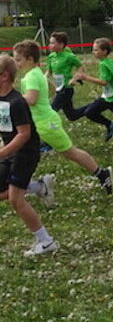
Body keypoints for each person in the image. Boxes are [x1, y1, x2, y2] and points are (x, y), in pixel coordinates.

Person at [13, 40, 113, 194]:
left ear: (30, 59)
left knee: (69, 152)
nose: (16, 63)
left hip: (45, 124)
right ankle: (26, 186)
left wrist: (13, 99)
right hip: (36, 123)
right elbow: (50, 90)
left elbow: (31, 99)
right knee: (18, 152)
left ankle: (102, 173)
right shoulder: (35, 73)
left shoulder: (32, 76)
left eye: (19, 60)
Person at [0, 54, 58, 256]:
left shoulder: (16, 102)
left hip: (25, 153)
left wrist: (3, 153)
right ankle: (39, 187)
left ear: (4, 76)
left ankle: (46, 241)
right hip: (10, 152)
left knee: (15, 200)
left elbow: (24, 134)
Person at [46, 31, 82, 122]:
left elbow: (80, 67)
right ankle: (92, 108)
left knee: (52, 110)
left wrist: (75, 78)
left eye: (52, 43)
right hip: (58, 88)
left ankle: (51, 128)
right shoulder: (51, 57)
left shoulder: (69, 56)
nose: (49, 45)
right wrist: (41, 79)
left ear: (61, 45)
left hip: (66, 89)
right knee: (72, 116)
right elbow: (49, 72)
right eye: (50, 43)